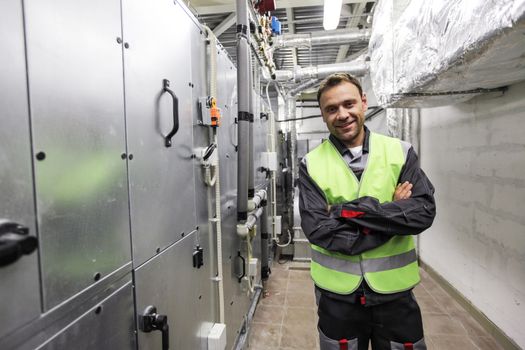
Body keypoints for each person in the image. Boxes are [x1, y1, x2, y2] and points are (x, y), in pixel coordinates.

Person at [298, 73, 436, 350]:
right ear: (323, 115)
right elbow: (320, 231)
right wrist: (392, 215)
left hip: (394, 295)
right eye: (332, 109)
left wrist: (340, 211)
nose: (343, 114)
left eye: (349, 104)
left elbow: (422, 212)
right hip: (337, 298)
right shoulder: (311, 164)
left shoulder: (399, 152)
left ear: (363, 103)